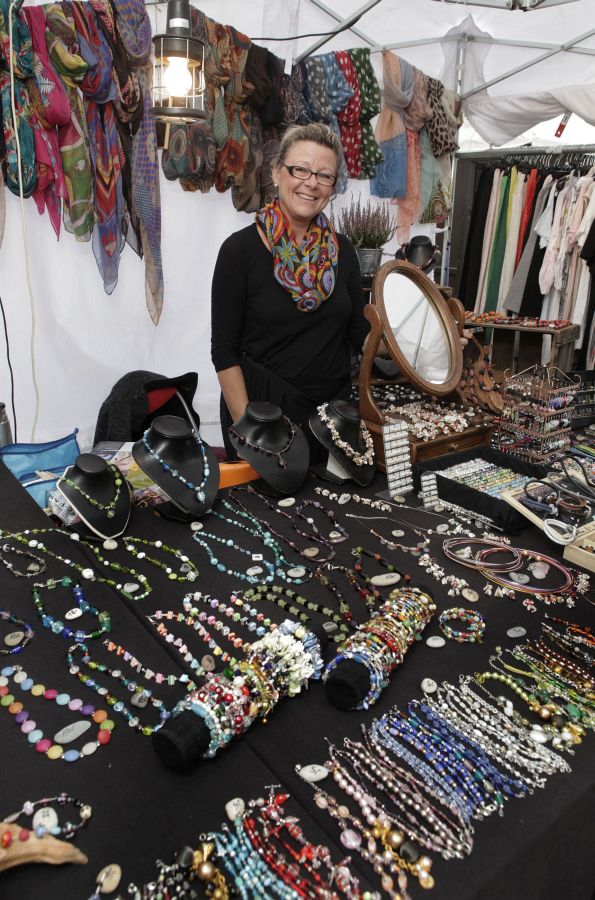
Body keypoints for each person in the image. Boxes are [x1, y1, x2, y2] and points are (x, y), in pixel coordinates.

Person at [211, 122, 369, 460]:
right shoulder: (239, 251)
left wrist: (426, 346)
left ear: (332, 186)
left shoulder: (343, 252)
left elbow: (360, 335)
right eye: (301, 169)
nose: (311, 183)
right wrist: (251, 434)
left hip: (332, 422)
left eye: (324, 175)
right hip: (264, 418)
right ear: (276, 172)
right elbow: (225, 352)